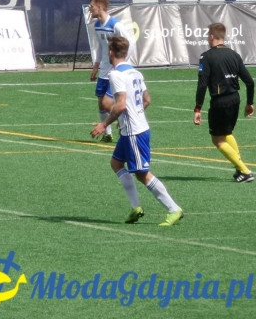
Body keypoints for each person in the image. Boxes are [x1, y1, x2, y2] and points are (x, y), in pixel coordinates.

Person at [91, 36, 183, 226]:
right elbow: (147, 100)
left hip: (134, 133)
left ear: (110, 53)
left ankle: (174, 209)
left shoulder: (115, 75)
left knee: (142, 174)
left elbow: (120, 105)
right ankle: (136, 207)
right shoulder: (135, 73)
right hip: (132, 129)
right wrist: (128, 117)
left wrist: (104, 124)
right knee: (116, 163)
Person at [194, 22, 255, 182]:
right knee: (227, 133)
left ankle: (245, 171)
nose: (208, 38)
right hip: (235, 99)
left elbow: (202, 84)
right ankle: (239, 169)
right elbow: (250, 82)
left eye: (208, 35)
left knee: (218, 139)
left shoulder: (206, 56)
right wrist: (249, 103)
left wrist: (198, 108)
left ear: (212, 36)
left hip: (220, 102)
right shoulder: (234, 55)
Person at [88, 0, 134, 143]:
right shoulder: (97, 25)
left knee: (107, 103)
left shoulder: (115, 25)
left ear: (100, 7)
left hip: (115, 72)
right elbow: (101, 48)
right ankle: (108, 134)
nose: (90, 9)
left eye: (92, 7)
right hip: (104, 71)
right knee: (101, 104)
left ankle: (124, 120)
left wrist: (121, 62)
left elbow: (129, 43)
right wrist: (96, 65)